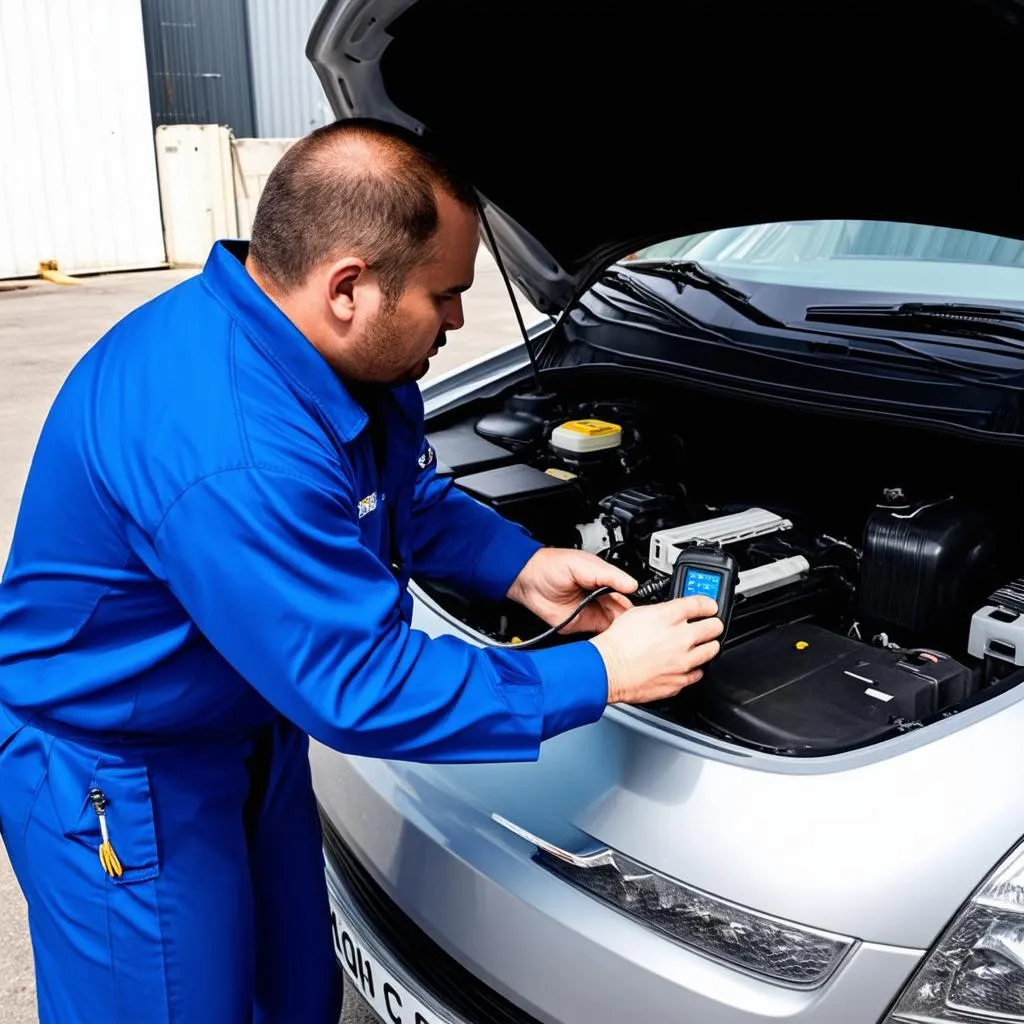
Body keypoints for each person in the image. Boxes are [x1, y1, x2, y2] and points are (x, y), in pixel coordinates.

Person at [0, 119, 723, 1023]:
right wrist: (601, 673)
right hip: (121, 777)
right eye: (444, 294)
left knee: (297, 994)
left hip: (246, 731)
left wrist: (520, 566)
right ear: (348, 286)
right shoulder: (229, 441)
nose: (459, 320)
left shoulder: (329, 359)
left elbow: (397, 496)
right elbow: (357, 682)